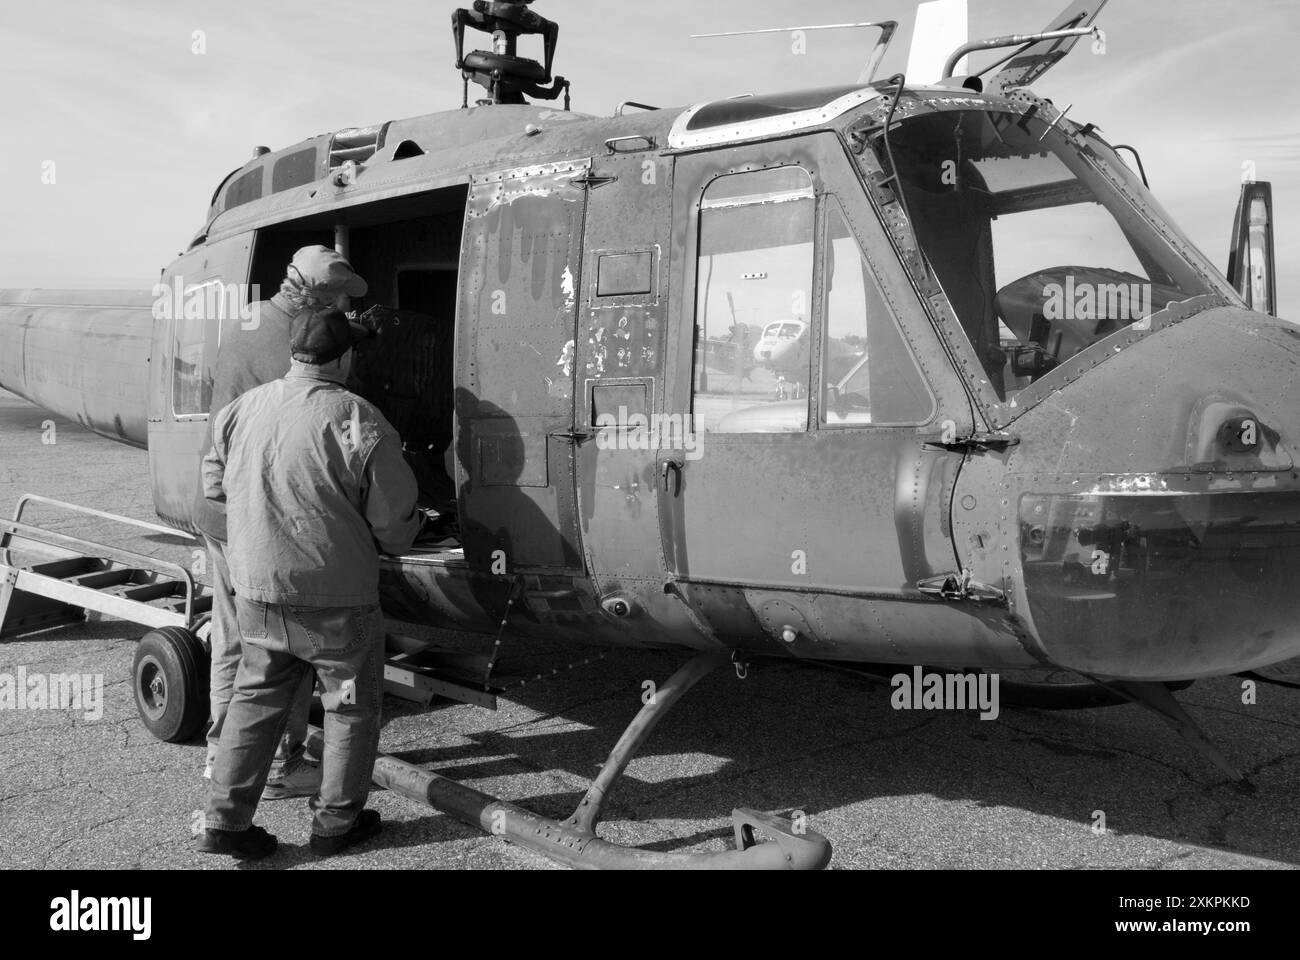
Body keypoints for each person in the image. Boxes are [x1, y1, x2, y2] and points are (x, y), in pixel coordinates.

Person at [196, 308, 421, 859]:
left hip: (257, 593)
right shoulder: (359, 419)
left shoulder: (240, 409)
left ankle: (224, 823)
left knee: (255, 700)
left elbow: (213, 488)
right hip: (336, 603)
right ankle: (336, 825)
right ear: (343, 358)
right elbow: (395, 528)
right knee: (346, 706)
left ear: (294, 353)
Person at [195, 246, 369, 801]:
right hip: (256, 518)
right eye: (340, 299)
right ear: (314, 298)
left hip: (223, 505)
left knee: (237, 640)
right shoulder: (293, 349)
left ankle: (223, 762)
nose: (346, 309)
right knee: (280, 650)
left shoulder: (250, 325)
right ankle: (277, 768)